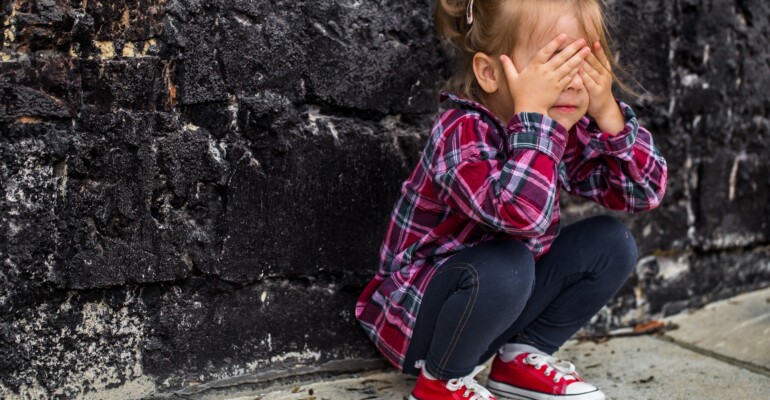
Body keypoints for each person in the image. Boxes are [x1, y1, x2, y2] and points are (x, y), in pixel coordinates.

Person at [355, 0, 667, 399]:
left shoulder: (561, 128)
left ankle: (519, 359)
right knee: (510, 261)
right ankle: (438, 384)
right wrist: (537, 125)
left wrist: (607, 112)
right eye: (554, 63)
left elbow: (645, 193)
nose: (571, 82)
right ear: (490, 73)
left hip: (498, 304)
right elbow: (520, 216)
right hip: (421, 322)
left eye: (581, 63)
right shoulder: (462, 131)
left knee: (611, 243)